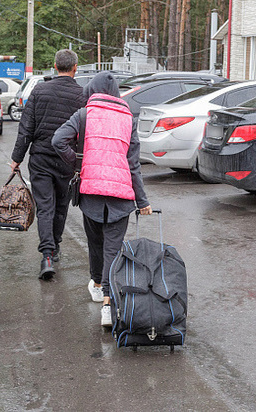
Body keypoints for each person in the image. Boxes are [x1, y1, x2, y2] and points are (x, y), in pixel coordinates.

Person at [52, 71, 152, 327]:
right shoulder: (128, 117)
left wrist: (79, 163)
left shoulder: (84, 114)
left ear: (91, 90)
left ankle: (98, 285)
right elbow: (133, 164)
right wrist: (142, 201)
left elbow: (58, 140)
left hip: (92, 191)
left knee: (95, 244)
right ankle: (108, 303)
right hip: (121, 195)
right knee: (112, 249)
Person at [10, 49, 86, 280]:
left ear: (55, 66)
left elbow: (26, 128)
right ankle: (56, 246)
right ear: (75, 67)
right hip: (67, 160)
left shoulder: (40, 90)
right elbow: (84, 132)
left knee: (45, 207)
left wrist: (16, 158)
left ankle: (47, 255)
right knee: (61, 207)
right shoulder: (82, 94)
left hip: (41, 158)